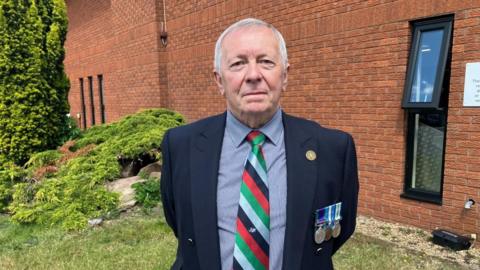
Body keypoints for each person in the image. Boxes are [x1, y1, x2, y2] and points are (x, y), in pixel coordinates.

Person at [160, 18, 359, 270]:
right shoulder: (180, 146)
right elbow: (181, 224)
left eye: (266, 61)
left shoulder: (333, 149)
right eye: (238, 63)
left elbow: (338, 230)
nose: (253, 75)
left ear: (285, 75)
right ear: (219, 80)